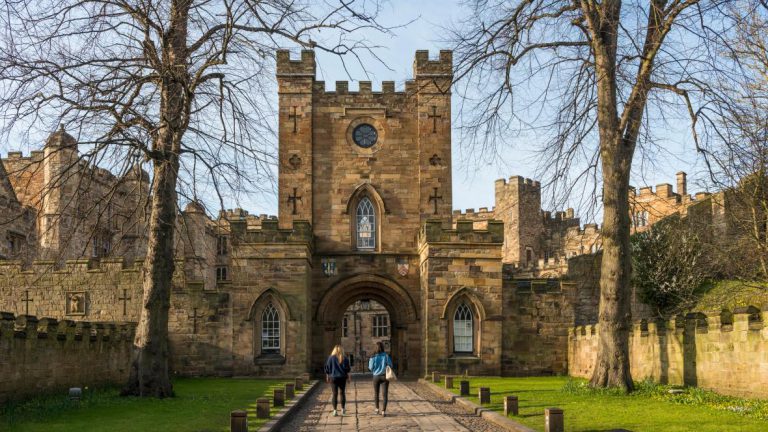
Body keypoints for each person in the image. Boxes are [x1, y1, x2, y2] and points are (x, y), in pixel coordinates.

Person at [324, 344, 351, 417]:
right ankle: (343, 409)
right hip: (342, 377)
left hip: (333, 378)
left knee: (334, 394)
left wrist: (327, 377)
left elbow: (327, 368)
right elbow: (347, 369)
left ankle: (335, 410)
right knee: (342, 393)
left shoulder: (330, 358)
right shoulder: (345, 358)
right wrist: (349, 377)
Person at [368, 341, 393, 417]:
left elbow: (370, 368)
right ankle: (383, 411)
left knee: (376, 393)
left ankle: (377, 409)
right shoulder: (386, 356)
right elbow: (390, 365)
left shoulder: (373, 357)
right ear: (382, 347)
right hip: (384, 376)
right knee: (385, 394)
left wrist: (375, 369)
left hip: (376, 376)